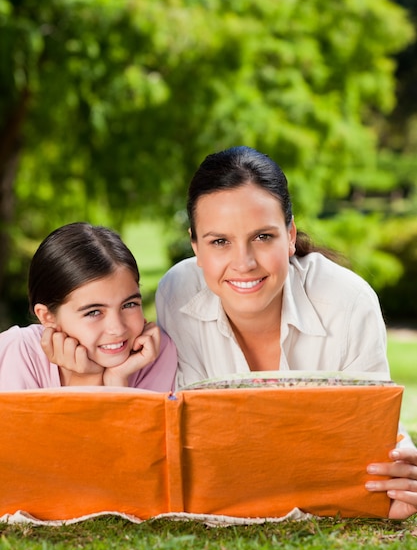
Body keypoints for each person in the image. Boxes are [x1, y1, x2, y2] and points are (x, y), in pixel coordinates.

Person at [155, 145, 417, 520]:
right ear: (195, 247)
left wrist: (395, 471)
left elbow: (369, 437)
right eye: (219, 241)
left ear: (290, 235)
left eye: (263, 237)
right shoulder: (176, 293)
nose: (243, 263)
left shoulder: (349, 301)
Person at [0, 222, 177, 392]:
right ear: (47, 317)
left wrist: (117, 381)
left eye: (129, 304)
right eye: (93, 312)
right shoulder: (17, 354)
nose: (117, 329)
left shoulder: (155, 354)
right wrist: (86, 381)